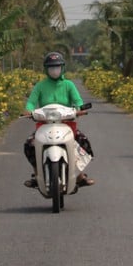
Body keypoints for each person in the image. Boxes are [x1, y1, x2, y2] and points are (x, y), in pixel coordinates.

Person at [23, 51, 95, 188]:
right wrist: (28, 110)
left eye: (57, 67)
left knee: (82, 141)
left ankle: (79, 176)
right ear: (46, 69)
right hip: (44, 125)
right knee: (29, 145)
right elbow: (31, 103)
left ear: (62, 68)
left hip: (66, 124)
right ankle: (37, 175)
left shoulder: (69, 85)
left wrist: (80, 109)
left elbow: (78, 101)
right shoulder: (40, 86)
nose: (54, 70)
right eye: (51, 67)